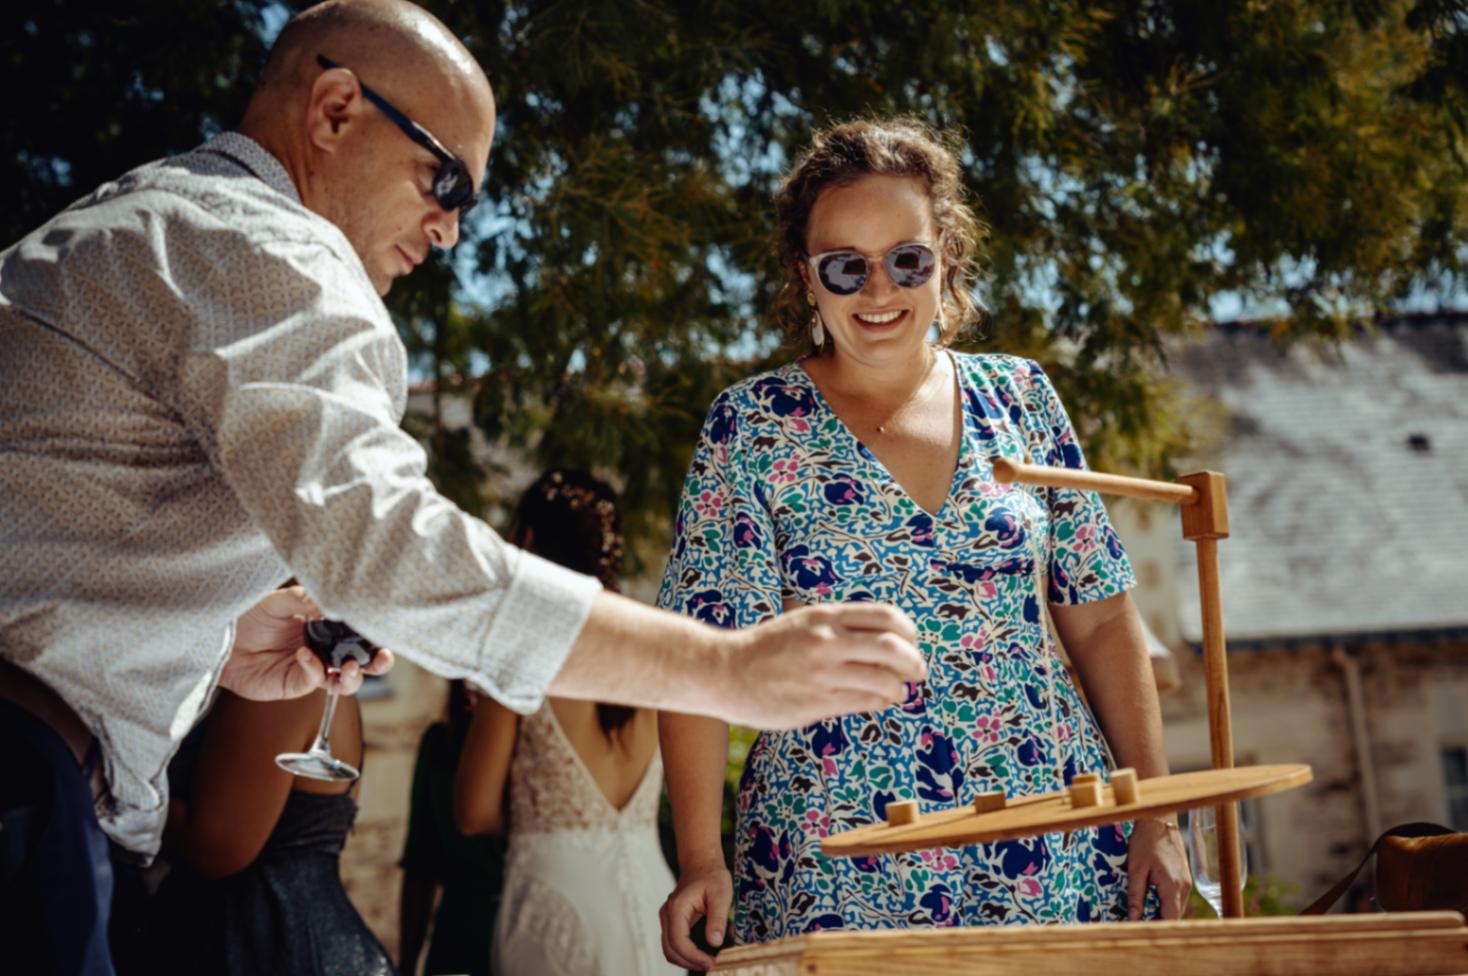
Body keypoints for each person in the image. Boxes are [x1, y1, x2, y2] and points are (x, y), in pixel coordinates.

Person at [0, 2, 924, 971]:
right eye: (444, 178)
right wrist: (727, 670)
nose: (447, 231)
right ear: (334, 110)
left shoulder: (142, 213)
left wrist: (215, 641)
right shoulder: (277, 250)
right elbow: (388, 551)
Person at [656, 118, 1192, 970]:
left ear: (946, 260)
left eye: (908, 259)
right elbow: (701, 656)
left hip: (1048, 841)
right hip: (840, 857)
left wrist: (1156, 817)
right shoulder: (751, 426)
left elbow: (1099, 621)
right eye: (846, 265)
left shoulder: (1021, 394)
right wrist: (699, 858)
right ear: (807, 279)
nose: (880, 289)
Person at [455, 470, 679, 976]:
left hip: (556, 902)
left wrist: (545, 818)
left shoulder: (521, 650)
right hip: (654, 896)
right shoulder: (653, 646)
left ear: (528, 540)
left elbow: (472, 812)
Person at [149, 678, 394, 976]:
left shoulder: (281, 687)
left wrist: (109, 786)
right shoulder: (300, 684)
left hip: (265, 947)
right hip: (292, 939)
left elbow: (215, 849)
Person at [398, 681, 506, 976]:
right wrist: (407, 964)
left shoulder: (532, 748)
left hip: (519, 928)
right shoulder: (439, 744)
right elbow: (420, 861)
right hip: (456, 937)